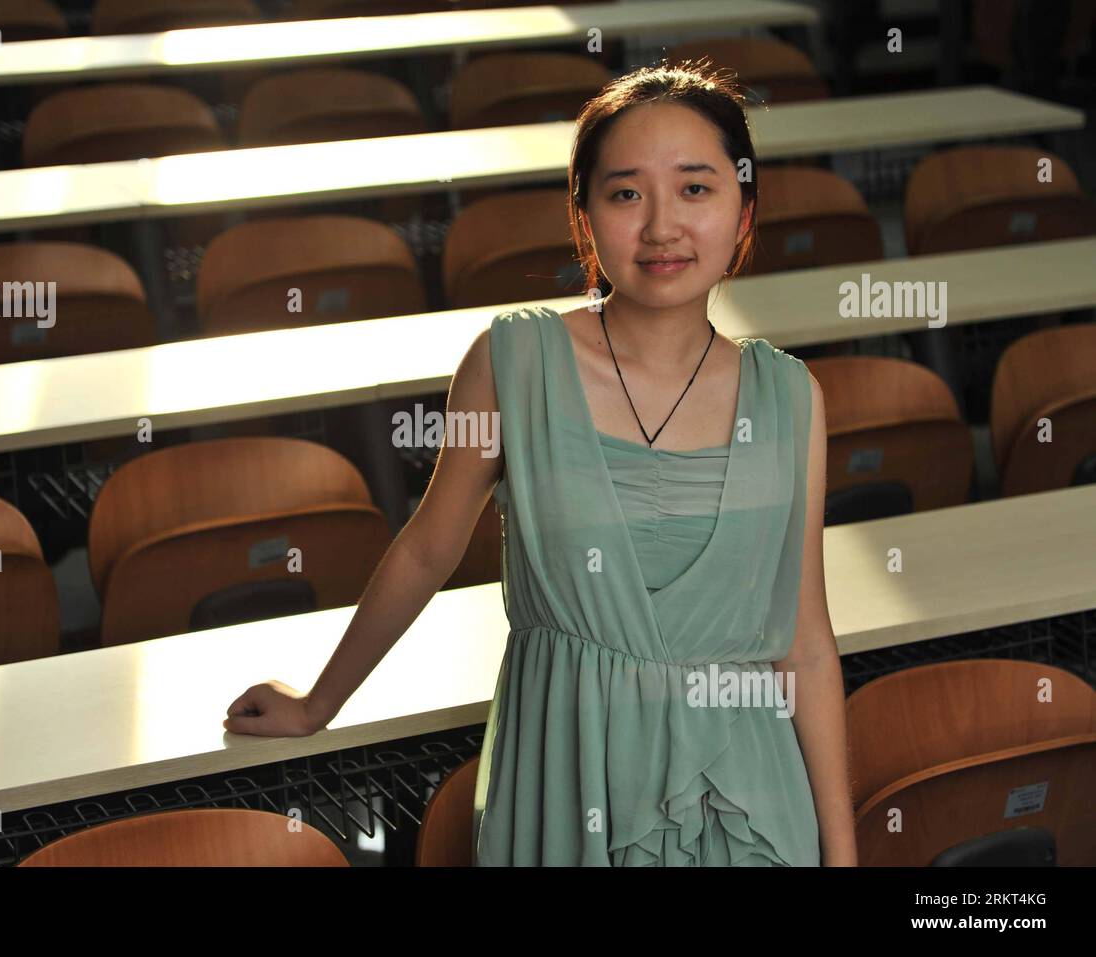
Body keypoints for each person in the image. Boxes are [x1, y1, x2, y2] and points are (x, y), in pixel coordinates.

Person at [225, 59, 857, 867]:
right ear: (585, 218)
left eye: (696, 188)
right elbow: (429, 546)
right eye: (626, 193)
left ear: (744, 213)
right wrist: (318, 702)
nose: (662, 225)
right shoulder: (513, 361)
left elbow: (804, 642)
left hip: (746, 808)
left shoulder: (791, 397)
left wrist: (842, 856)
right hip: (570, 776)